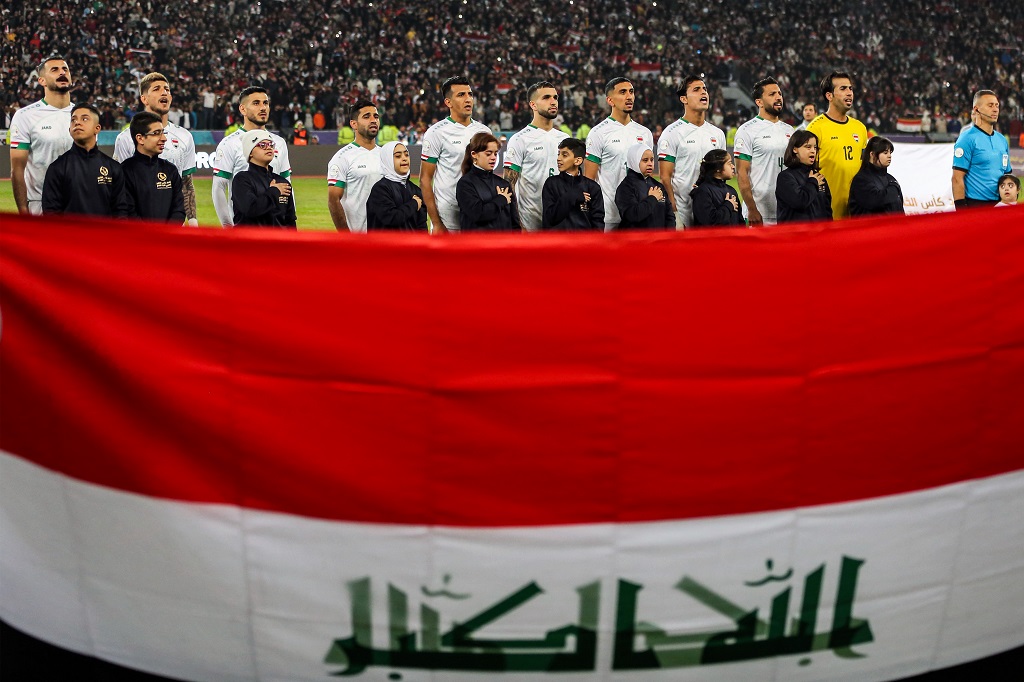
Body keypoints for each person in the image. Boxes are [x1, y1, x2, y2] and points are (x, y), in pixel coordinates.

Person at [113, 72, 198, 225]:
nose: (164, 92)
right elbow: (121, 188)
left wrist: (192, 220)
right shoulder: (125, 138)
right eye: (157, 89)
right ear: (143, 99)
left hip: (174, 227)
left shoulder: (185, 136)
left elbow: (187, 184)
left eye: (167, 89)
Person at [420, 76, 491, 233]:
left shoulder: (484, 132)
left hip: (478, 218)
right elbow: (425, 180)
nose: (468, 99)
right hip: (448, 220)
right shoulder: (436, 133)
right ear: (448, 102)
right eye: (461, 95)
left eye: (470, 94)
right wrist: (436, 223)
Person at [212, 86, 292, 226]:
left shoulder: (279, 142)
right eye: (256, 103)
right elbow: (218, 188)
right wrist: (228, 227)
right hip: (245, 226)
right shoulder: (229, 144)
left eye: (265, 103)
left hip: (276, 229)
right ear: (242, 109)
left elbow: (287, 186)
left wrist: (290, 225)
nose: (263, 108)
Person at [584, 77, 654, 230]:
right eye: (623, 92)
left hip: (639, 214)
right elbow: (589, 180)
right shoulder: (598, 133)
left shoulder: (645, 133)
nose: (629, 96)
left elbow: (648, 175)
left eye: (631, 92)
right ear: (610, 100)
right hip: (609, 216)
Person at [657, 75, 726, 228]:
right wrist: (674, 215)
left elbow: (722, 175)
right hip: (683, 212)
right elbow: (665, 178)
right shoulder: (672, 133)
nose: (704, 93)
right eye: (696, 89)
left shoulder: (717, 134)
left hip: (711, 212)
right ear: (684, 99)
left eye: (705, 89)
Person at [9, 56, 75, 215]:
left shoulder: (83, 115)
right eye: (55, 70)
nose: (62, 72)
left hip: (78, 205)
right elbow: (17, 169)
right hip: (40, 206)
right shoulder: (25, 116)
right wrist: (24, 212)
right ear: (42, 81)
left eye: (65, 69)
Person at [41, 104, 129, 218]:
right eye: (73, 120)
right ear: (69, 130)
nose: (77, 122)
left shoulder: (113, 167)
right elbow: (51, 212)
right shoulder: (57, 167)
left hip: (105, 235)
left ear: (97, 128)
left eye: (85, 119)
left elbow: (120, 210)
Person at [502, 82, 569, 231]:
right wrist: (517, 224)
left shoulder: (564, 138)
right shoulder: (520, 139)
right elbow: (508, 185)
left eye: (555, 97)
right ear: (533, 105)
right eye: (546, 98)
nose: (553, 102)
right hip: (529, 225)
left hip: (560, 224)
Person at [806, 71, 868, 218]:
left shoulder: (860, 128)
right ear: (829, 96)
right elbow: (804, 174)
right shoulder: (815, 128)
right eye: (843, 89)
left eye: (850, 89)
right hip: (827, 215)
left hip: (856, 213)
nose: (849, 93)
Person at [734, 77, 795, 226]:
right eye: (772, 94)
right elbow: (742, 173)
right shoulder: (747, 130)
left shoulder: (789, 130)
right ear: (759, 102)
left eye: (779, 93)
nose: (778, 97)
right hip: (759, 214)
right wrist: (751, 209)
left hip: (787, 211)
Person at [120, 111, 186, 223]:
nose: (164, 138)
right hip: (139, 239)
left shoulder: (170, 170)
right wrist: (152, 237)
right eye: (156, 133)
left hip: (167, 238)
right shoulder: (124, 171)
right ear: (140, 138)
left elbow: (179, 209)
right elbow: (128, 212)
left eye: (163, 132)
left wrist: (166, 234)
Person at [327, 99, 382, 232]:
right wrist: (346, 236)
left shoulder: (386, 155)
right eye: (366, 116)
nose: (373, 120)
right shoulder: (342, 158)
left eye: (376, 116)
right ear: (354, 124)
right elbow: (333, 200)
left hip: (384, 239)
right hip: (357, 239)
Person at [952, 90, 1013, 208]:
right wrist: (961, 211)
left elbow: (1007, 174)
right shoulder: (966, 139)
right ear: (976, 109)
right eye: (990, 105)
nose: (995, 109)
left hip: (999, 205)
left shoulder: (1001, 140)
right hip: (975, 206)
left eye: (997, 106)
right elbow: (957, 178)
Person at [230, 130, 296, 228]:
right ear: (250, 152)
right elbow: (250, 210)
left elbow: (290, 221)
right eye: (262, 145)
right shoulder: (242, 180)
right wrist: (273, 191)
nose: (268, 147)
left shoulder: (282, 182)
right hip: (252, 242)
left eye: (271, 144)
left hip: (279, 242)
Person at [455, 132, 519, 231]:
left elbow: (514, 222)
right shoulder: (465, 184)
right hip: (478, 245)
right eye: (488, 153)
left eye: (495, 153)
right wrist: (501, 199)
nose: (493, 157)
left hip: (505, 244)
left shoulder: (503, 184)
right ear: (474, 154)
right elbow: (478, 214)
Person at [542, 137, 604, 230]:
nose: (559, 158)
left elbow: (598, 223)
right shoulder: (551, 184)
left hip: (585, 243)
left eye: (564, 155)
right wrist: (572, 196)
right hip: (558, 243)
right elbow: (549, 219)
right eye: (559, 154)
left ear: (578, 161)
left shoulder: (593, 187)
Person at [365, 141, 428, 231]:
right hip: (386, 244)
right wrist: (413, 204)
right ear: (388, 160)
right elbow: (391, 218)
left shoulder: (416, 190)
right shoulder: (380, 190)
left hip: (412, 244)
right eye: (398, 156)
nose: (404, 159)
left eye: (406, 155)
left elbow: (421, 225)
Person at [775, 130, 833, 223]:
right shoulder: (785, 177)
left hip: (819, 235)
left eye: (815, 147)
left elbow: (827, 211)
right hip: (795, 236)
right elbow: (800, 202)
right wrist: (813, 182)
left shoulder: (819, 177)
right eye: (808, 147)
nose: (813, 151)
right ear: (795, 149)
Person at [614, 142, 673, 229]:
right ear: (634, 161)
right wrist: (652, 198)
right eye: (645, 160)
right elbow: (633, 215)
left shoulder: (658, 186)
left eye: (652, 160)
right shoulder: (625, 188)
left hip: (659, 240)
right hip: (637, 241)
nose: (650, 163)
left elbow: (669, 216)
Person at [848, 136, 904, 216]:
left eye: (890, 153)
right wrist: (893, 188)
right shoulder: (861, 179)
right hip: (870, 227)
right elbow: (875, 201)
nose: (889, 156)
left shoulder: (891, 179)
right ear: (872, 154)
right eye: (885, 153)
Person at [690, 149, 744, 227]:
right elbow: (709, 222)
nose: (733, 166)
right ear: (718, 169)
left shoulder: (731, 190)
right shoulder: (703, 192)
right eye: (729, 163)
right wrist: (728, 206)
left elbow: (740, 223)